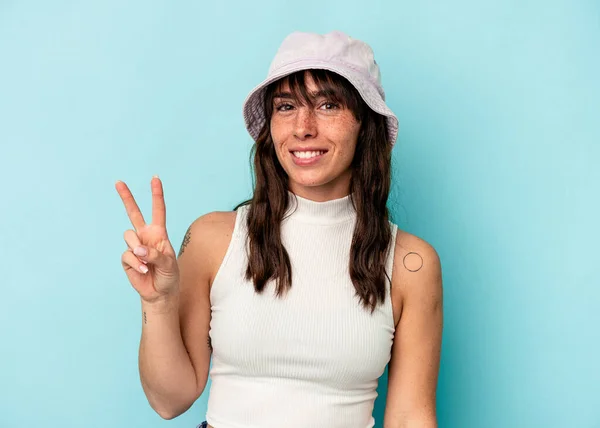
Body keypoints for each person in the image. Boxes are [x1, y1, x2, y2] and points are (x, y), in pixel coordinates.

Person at [115, 30, 443, 428]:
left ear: (365, 125)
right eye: (286, 106)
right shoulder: (212, 239)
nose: (303, 127)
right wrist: (158, 303)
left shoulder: (411, 264)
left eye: (327, 104)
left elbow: (410, 417)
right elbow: (170, 401)